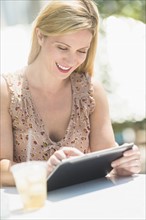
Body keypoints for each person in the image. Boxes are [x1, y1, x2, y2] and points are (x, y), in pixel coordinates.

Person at [0, 0, 141, 186]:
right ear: (41, 36)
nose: (72, 60)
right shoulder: (7, 91)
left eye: (81, 50)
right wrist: (45, 170)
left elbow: (108, 164)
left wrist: (124, 165)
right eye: (62, 47)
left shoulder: (91, 92)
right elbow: (1, 170)